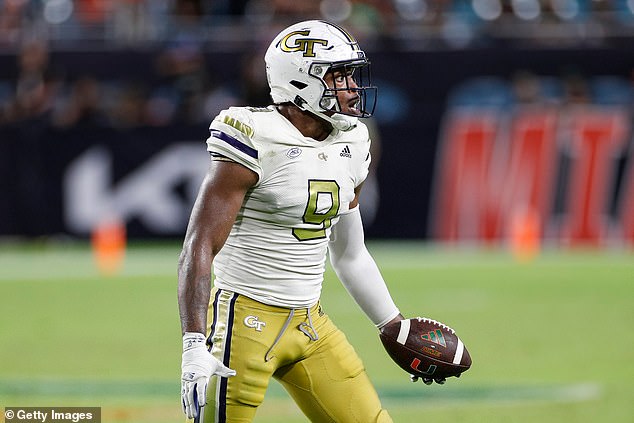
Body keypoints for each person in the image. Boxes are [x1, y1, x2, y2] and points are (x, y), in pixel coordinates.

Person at [177, 20, 435, 423]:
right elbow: (200, 246)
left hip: (309, 323)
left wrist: (391, 324)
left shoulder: (352, 140)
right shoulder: (252, 134)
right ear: (301, 81)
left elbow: (350, 253)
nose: (351, 86)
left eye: (351, 73)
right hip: (243, 322)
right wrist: (193, 342)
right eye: (338, 75)